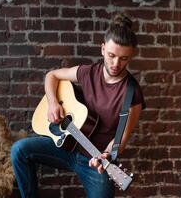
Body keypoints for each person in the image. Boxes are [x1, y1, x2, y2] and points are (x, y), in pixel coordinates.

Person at [11, 12, 145, 198]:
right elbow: (52, 75)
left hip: (95, 160)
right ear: (103, 49)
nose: (116, 63)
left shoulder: (132, 93)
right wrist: (53, 103)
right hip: (66, 147)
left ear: (131, 56)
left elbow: (120, 140)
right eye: (112, 55)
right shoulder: (88, 72)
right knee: (19, 150)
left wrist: (106, 155)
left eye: (123, 59)